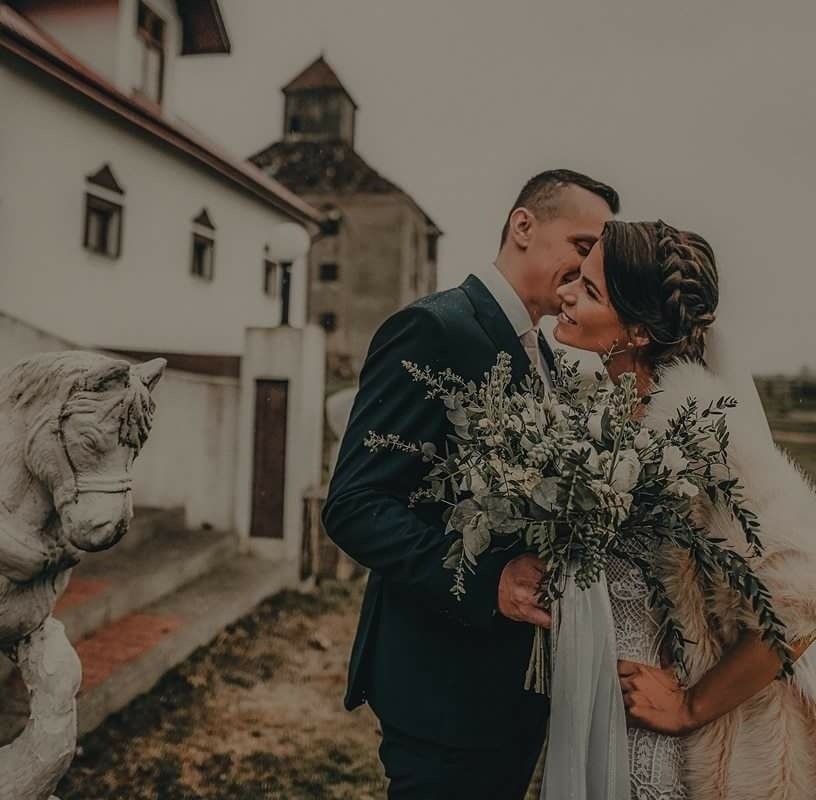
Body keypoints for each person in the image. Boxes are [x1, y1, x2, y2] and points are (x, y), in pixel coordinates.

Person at [322, 169, 620, 799]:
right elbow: (355, 505)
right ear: (523, 225)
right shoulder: (433, 329)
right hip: (442, 689)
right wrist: (489, 584)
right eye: (582, 244)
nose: (589, 265)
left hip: (512, 690)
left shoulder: (546, 357)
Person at [550, 219, 816, 799]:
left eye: (590, 290)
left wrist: (691, 704)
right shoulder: (595, 415)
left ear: (639, 330)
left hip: (667, 736)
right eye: (578, 277)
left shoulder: (706, 429)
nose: (565, 293)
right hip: (590, 704)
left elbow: (802, 601)